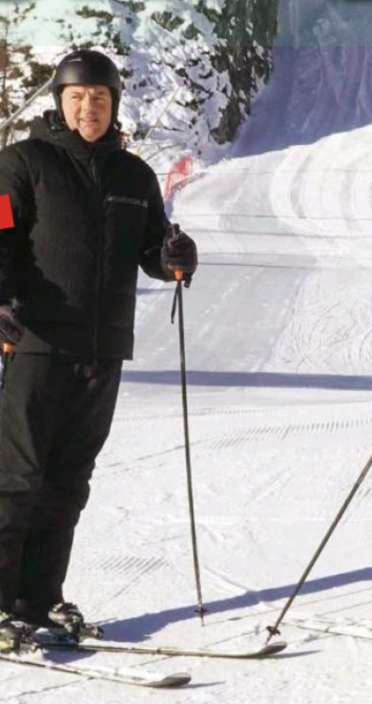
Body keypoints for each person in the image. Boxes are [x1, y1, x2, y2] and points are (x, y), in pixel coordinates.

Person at [0, 49, 198, 651]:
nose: (89, 108)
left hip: (103, 346)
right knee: (16, 476)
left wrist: (173, 259)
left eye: (101, 99)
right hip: (34, 341)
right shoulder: (23, 162)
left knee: (68, 479)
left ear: (115, 106)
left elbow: (150, 247)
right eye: (78, 97)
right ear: (59, 101)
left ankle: (40, 597)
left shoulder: (133, 175)